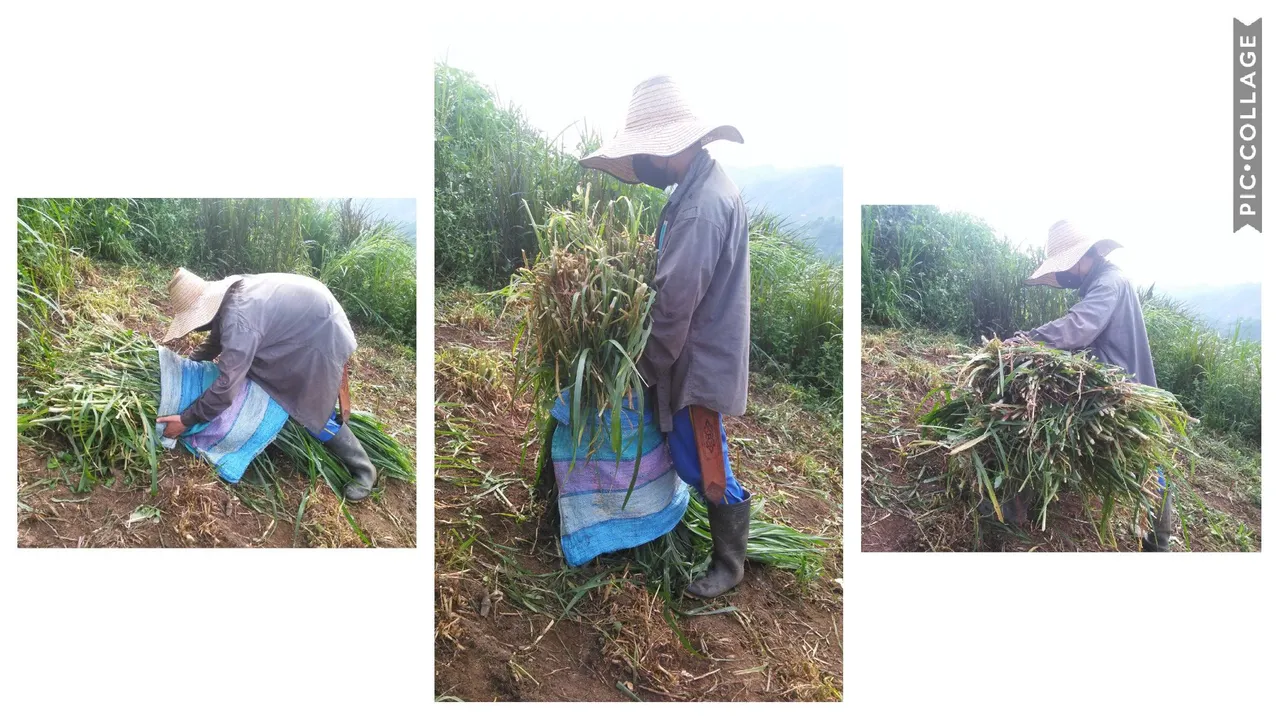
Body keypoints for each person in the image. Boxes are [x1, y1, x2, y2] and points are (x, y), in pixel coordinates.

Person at [580, 76, 753, 597]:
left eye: (645, 155)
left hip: (696, 360)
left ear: (667, 148)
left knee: (701, 455)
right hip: (699, 351)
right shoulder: (701, 184)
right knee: (696, 448)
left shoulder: (701, 207)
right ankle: (727, 546)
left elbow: (673, 308)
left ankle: (730, 563)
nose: (643, 166)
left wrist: (638, 371)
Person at [1012, 219, 1170, 551]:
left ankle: (1159, 542)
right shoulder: (1105, 280)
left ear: (1086, 256)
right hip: (1112, 382)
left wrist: (1029, 340)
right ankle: (1042, 492)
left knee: (1146, 461)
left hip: (1122, 388)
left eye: (1069, 264)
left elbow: (1080, 326)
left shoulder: (1109, 282)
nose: (1068, 272)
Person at [154, 268, 378, 502]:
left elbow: (227, 387)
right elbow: (214, 344)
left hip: (320, 332)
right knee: (263, 379)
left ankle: (364, 470)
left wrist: (186, 420)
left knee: (308, 407)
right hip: (303, 318)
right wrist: (185, 369)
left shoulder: (240, 318)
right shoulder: (230, 299)